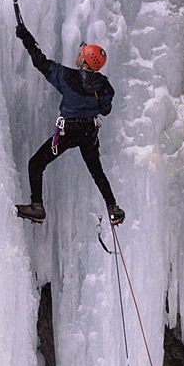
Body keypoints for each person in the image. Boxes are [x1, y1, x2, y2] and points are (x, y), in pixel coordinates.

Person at [14, 21, 125, 225]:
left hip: (68, 130)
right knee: (96, 170)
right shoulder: (105, 85)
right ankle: (113, 208)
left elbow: (40, 62)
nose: (79, 54)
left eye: (82, 54)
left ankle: (37, 205)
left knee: (36, 163)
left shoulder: (66, 76)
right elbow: (106, 110)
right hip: (89, 132)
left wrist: (26, 38)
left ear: (85, 61)